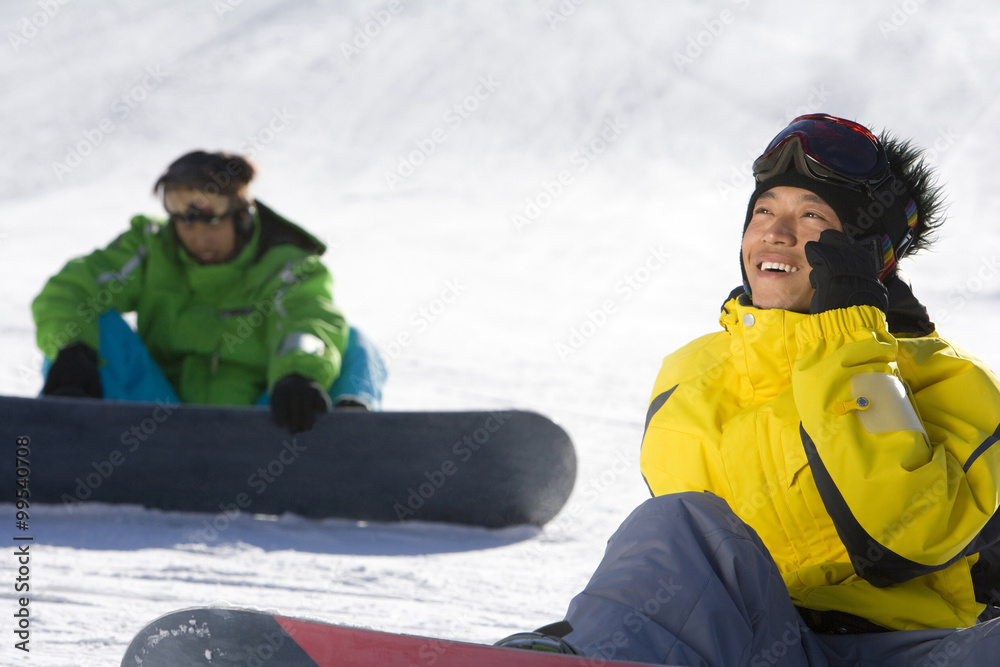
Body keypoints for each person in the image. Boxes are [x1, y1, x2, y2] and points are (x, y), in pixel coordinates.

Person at [499, 115, 1000, 665]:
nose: (775, 233)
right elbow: (690, 572)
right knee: (678, 523)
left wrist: (847, 339)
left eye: (811, 215)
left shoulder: (951, 383)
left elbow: (899, 543)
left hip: (914, 652)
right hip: (758, 647)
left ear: (864, 253)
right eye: (764, 211)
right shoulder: (690, 378)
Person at [32, 150, 386, 434]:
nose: (197, 235)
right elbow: (70, 291)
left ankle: (346, 439)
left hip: (265, 424)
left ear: (242, 214)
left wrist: (299, 375)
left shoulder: (286, 265)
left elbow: (308, 317)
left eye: (211, 217)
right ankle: (63, 434)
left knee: (352, 342)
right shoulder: (151, 249)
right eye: (184, 217)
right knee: (87, 332)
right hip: (156, 419)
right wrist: (73, 351)